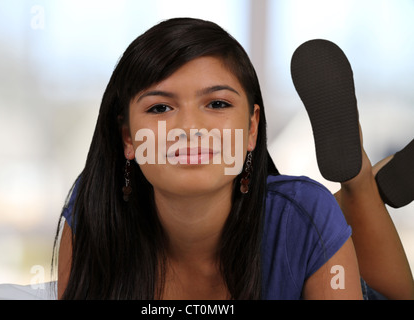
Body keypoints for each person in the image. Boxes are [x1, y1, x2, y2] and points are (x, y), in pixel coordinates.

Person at [53, 18, 414, 300]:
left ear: (252, 129)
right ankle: (360, 191)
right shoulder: (94, 212)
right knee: (305, 217)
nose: (190, 128)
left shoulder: (305, 212)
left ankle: (359, 183)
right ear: (128, 138)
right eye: (160, 107)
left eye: (217, 104)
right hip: (298, 221)